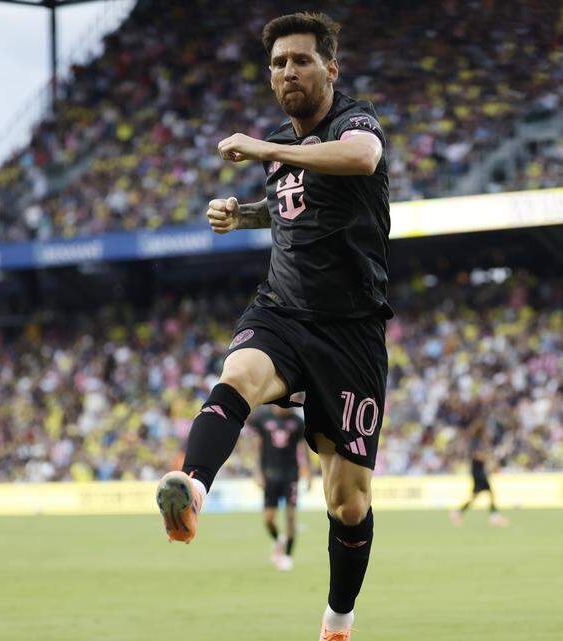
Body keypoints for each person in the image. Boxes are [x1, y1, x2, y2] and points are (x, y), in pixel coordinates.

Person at [153, 12, 390, 640]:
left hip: (351, 332)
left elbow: (362, 161)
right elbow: (294, 210)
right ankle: (193, 487)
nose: (288, 71)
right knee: (239, 373)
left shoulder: (354, 123)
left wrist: (266, 149)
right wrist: (245, 214)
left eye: (301, 60)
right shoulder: (279, 148)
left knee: (348, 502)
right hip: (282, 309)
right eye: (278, 62)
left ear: (331, 67)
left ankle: (338, 621)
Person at [251, 406, 310, 570]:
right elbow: (257, 446)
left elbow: (303, 448)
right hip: (270, 475)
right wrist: (257, 472)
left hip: (291, 475)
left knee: (291, 518)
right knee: (268, 519)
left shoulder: (297, 421)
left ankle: (288, 556)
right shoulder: (263, 419)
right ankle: (279, 540)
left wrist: (309, 474)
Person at [449, 426, 508, 527]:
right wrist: (488, 458)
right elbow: (477, 455)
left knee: (476, 495)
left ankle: (458, 512)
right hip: (478, 472)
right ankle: (494, 516)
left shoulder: (478, 442)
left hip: (478, 471)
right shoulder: (476, 442)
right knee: (489, 492)